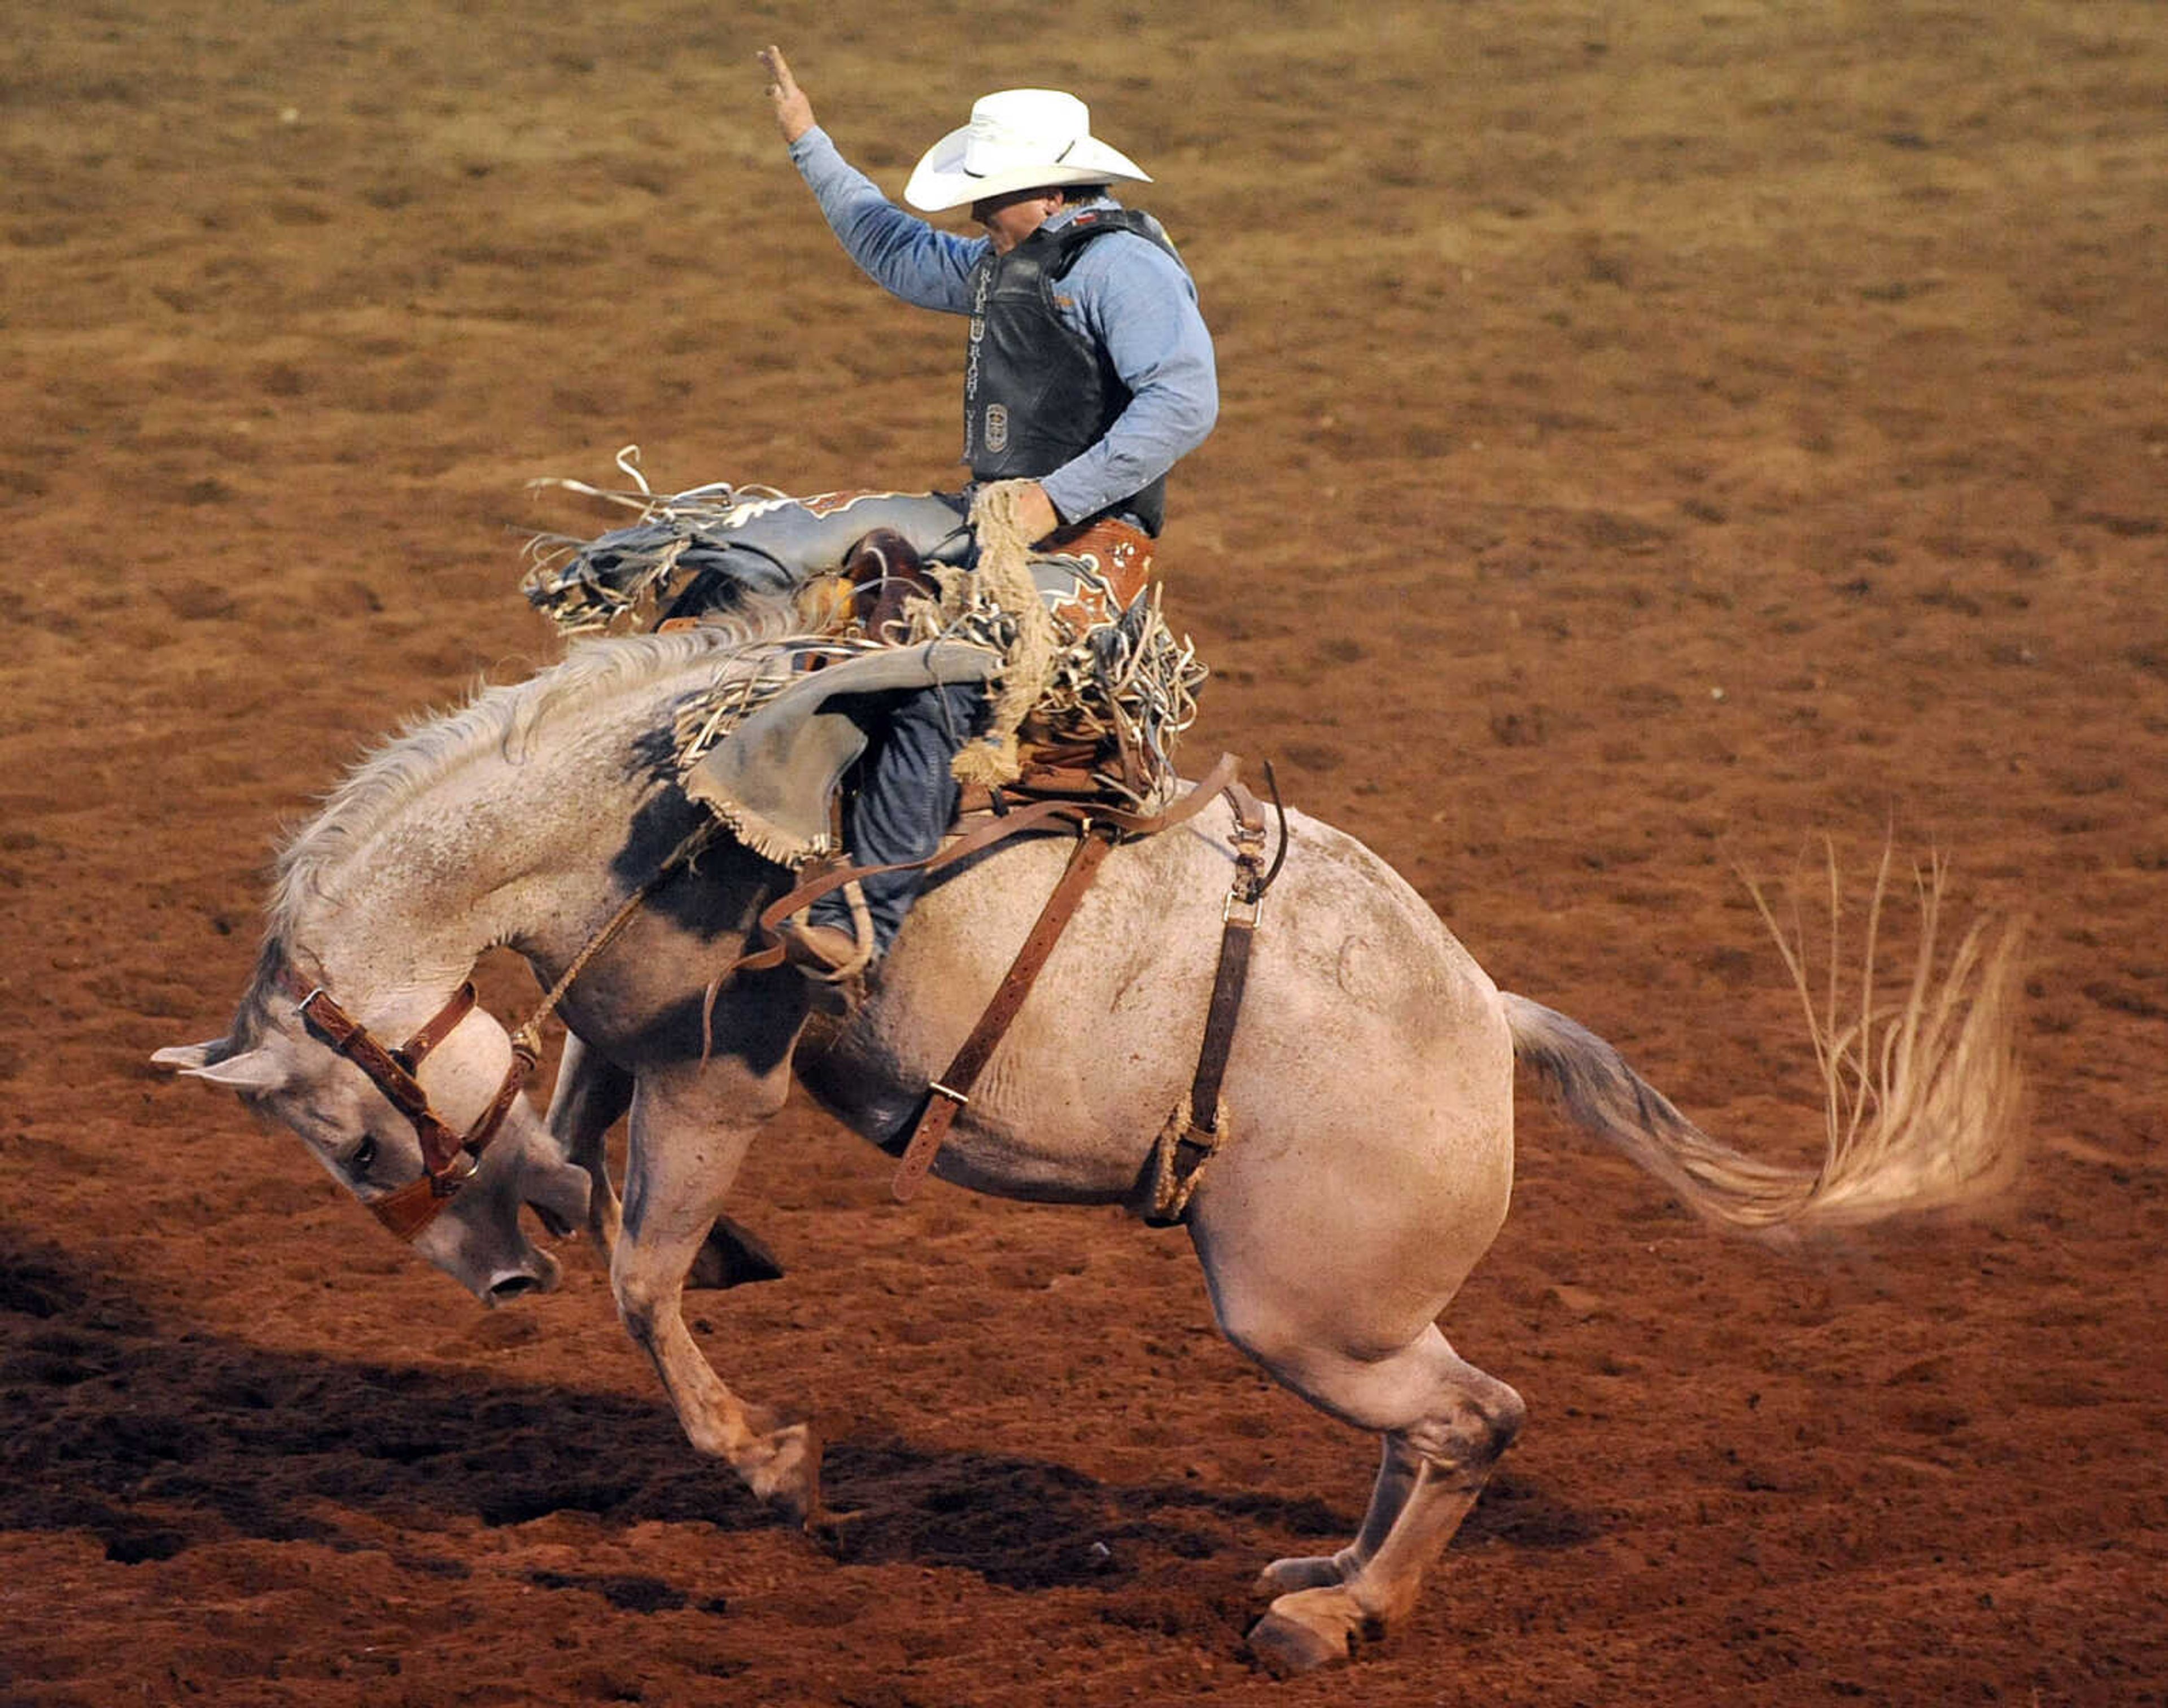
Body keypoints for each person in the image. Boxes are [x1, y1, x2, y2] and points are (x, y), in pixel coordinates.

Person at [743, 49, 1220, 974]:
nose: (972, 215)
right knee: (773, 541)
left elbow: (1183, 401)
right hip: (990, 515)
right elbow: (893, 248)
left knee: (940, 672)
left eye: (987, 196)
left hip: (1090, 542)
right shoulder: (1017, 256)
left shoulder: (1121, 268)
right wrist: (809, 141)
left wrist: (1056, 496)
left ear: (1048, 192)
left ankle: (869, 912)